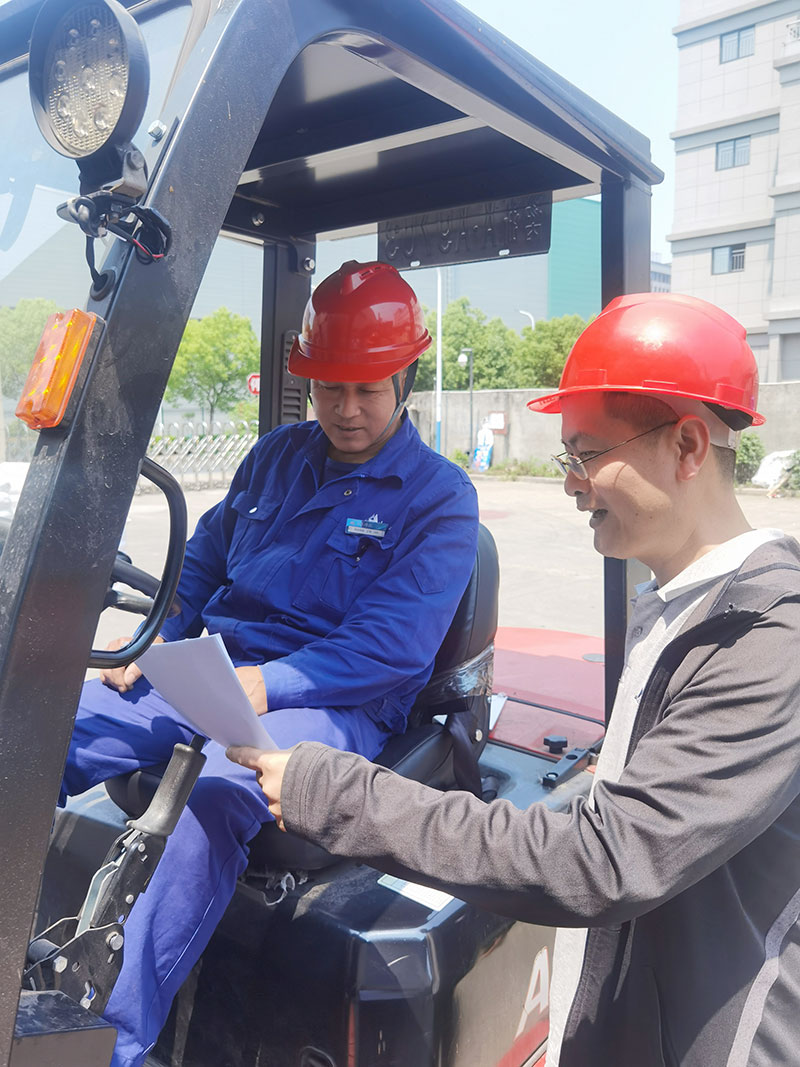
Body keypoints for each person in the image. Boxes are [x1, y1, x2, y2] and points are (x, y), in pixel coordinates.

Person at [230, 292, 800, 1067]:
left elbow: (602, 860)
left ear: (689, 445)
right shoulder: (680, 607)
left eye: (586, 455)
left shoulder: (766, 639)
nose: (571, 485)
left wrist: (333, 792)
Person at [60, 260, 479, 1067]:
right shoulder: (276, 457)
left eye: (366, 389)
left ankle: (112, 1043)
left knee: (213, 793)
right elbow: (202, 560)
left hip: (333, 699)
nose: (346, 410)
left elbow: (387, 648)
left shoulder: (438, 498)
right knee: (49, 723)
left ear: (404, 378)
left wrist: (266, 682)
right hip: (216, 672)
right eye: (328, 389)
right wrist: (159, 632)